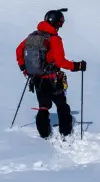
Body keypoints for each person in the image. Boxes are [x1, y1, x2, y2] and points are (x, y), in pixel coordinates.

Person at [16, 9, 86, 139]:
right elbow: (60, 62)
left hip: (36, 78)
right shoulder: (54, 39)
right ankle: (65, 132)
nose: (61, 26)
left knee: (43, 107)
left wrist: (24, 68)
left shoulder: (32, 36)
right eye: (60, 23)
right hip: (53, 79)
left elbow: (19, 50)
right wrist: (77, 66)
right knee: (62, 105)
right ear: (56, 23)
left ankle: (44, 134)